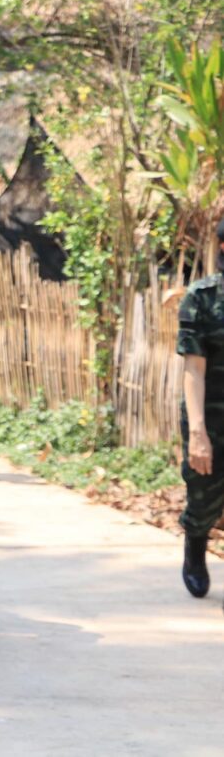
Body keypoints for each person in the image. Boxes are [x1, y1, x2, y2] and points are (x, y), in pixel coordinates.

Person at [177, 218, 224, 604]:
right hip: (211, 415)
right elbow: (193, 368)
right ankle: (196, 543)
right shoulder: (203, 297)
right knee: (205, 497)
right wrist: (198, 431)